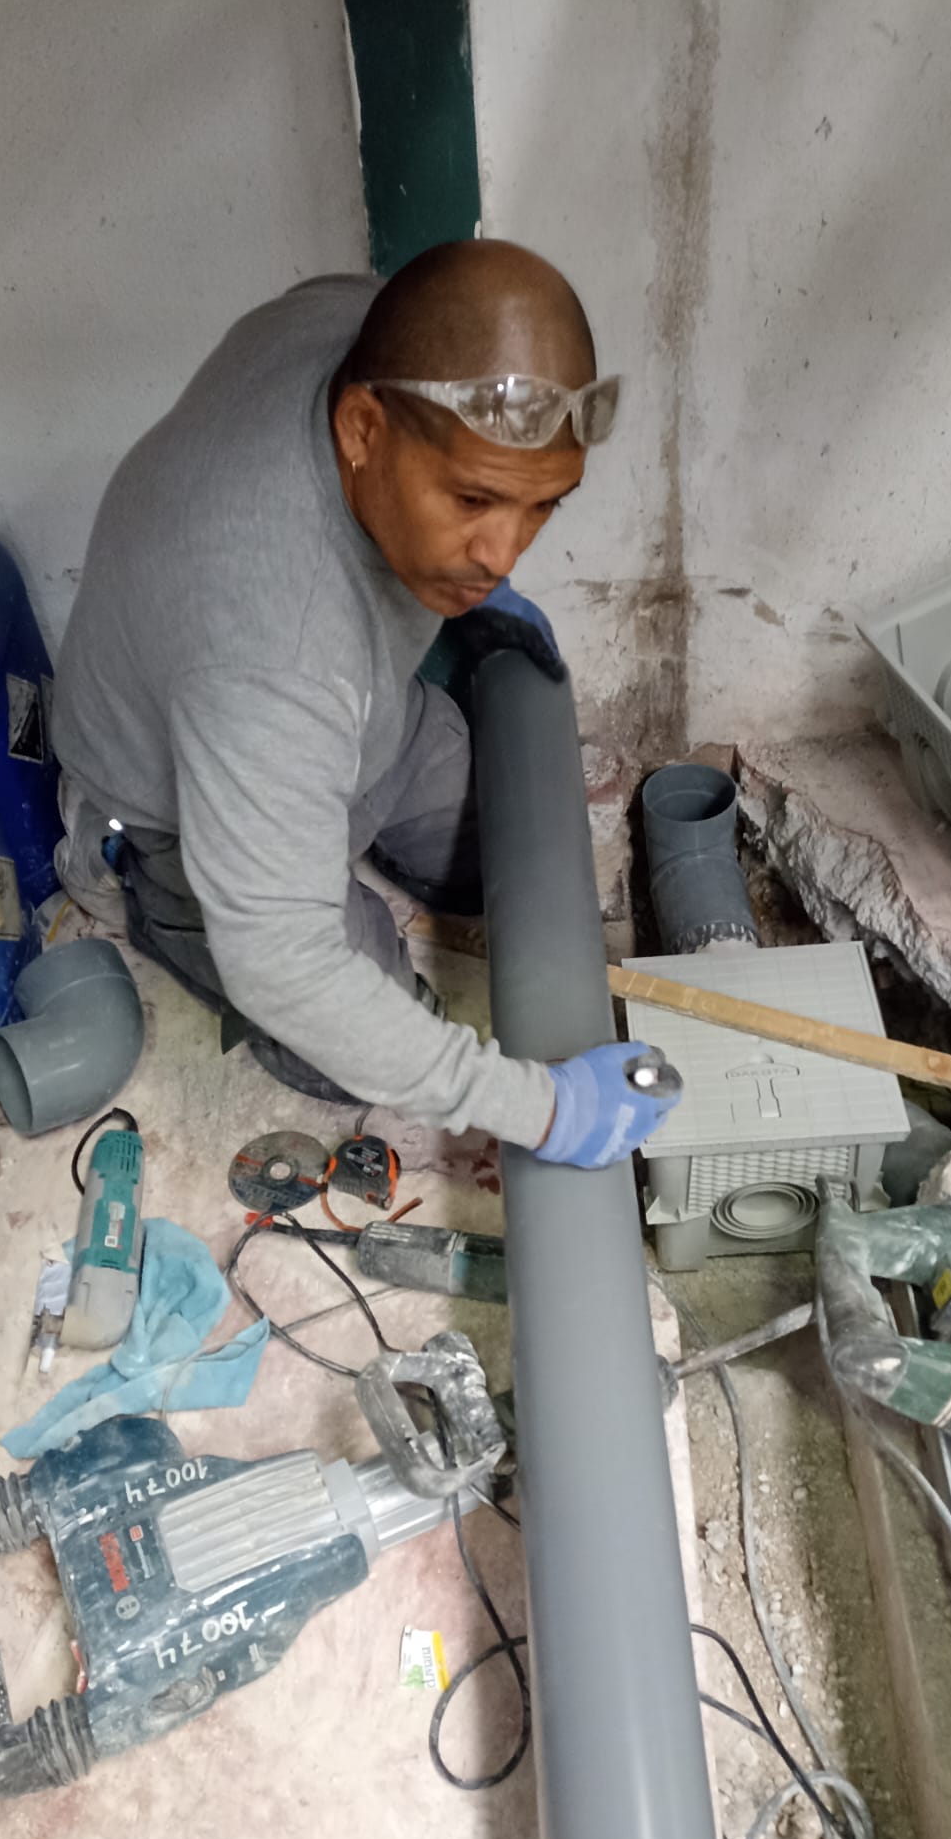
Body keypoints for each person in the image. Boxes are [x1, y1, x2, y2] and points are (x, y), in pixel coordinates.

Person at [51, 239, 674, 1168]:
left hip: (361, 719)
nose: (503, 552)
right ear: (361, 430)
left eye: (542, 506)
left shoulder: (347, 319)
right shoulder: (276, 646)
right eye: (473, 499)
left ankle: (357, 825)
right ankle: (154, 900)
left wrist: (469, 573)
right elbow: (285, 963)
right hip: (170, 812)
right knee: (340, 1032)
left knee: (503, 845)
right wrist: (544, 1112)